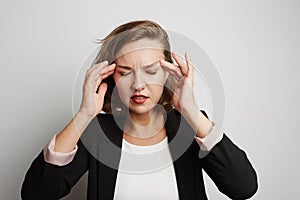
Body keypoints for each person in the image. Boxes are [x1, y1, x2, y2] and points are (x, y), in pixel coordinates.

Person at [21, 20, 258, 200]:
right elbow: (36, 194)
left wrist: (191, 112)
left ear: (167, 73)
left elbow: (243, 188)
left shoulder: (189, 127)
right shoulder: (96, 132)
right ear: (111, 75)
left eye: (151, 71)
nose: (138, 84)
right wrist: (84, 115)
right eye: (125, 72)